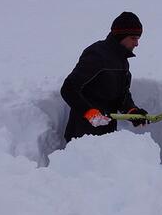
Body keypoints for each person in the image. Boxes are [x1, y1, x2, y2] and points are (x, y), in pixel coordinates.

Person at [60, 12, 149, 143]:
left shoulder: (122, 61)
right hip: (82, 137)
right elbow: (68, 89)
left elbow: (122, 95)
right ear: (121, 36)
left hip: (106, 137)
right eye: (133, 38)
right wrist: (89, 113)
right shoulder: (97, 55)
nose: (137, 44)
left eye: (138, 39)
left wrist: (132, 111)